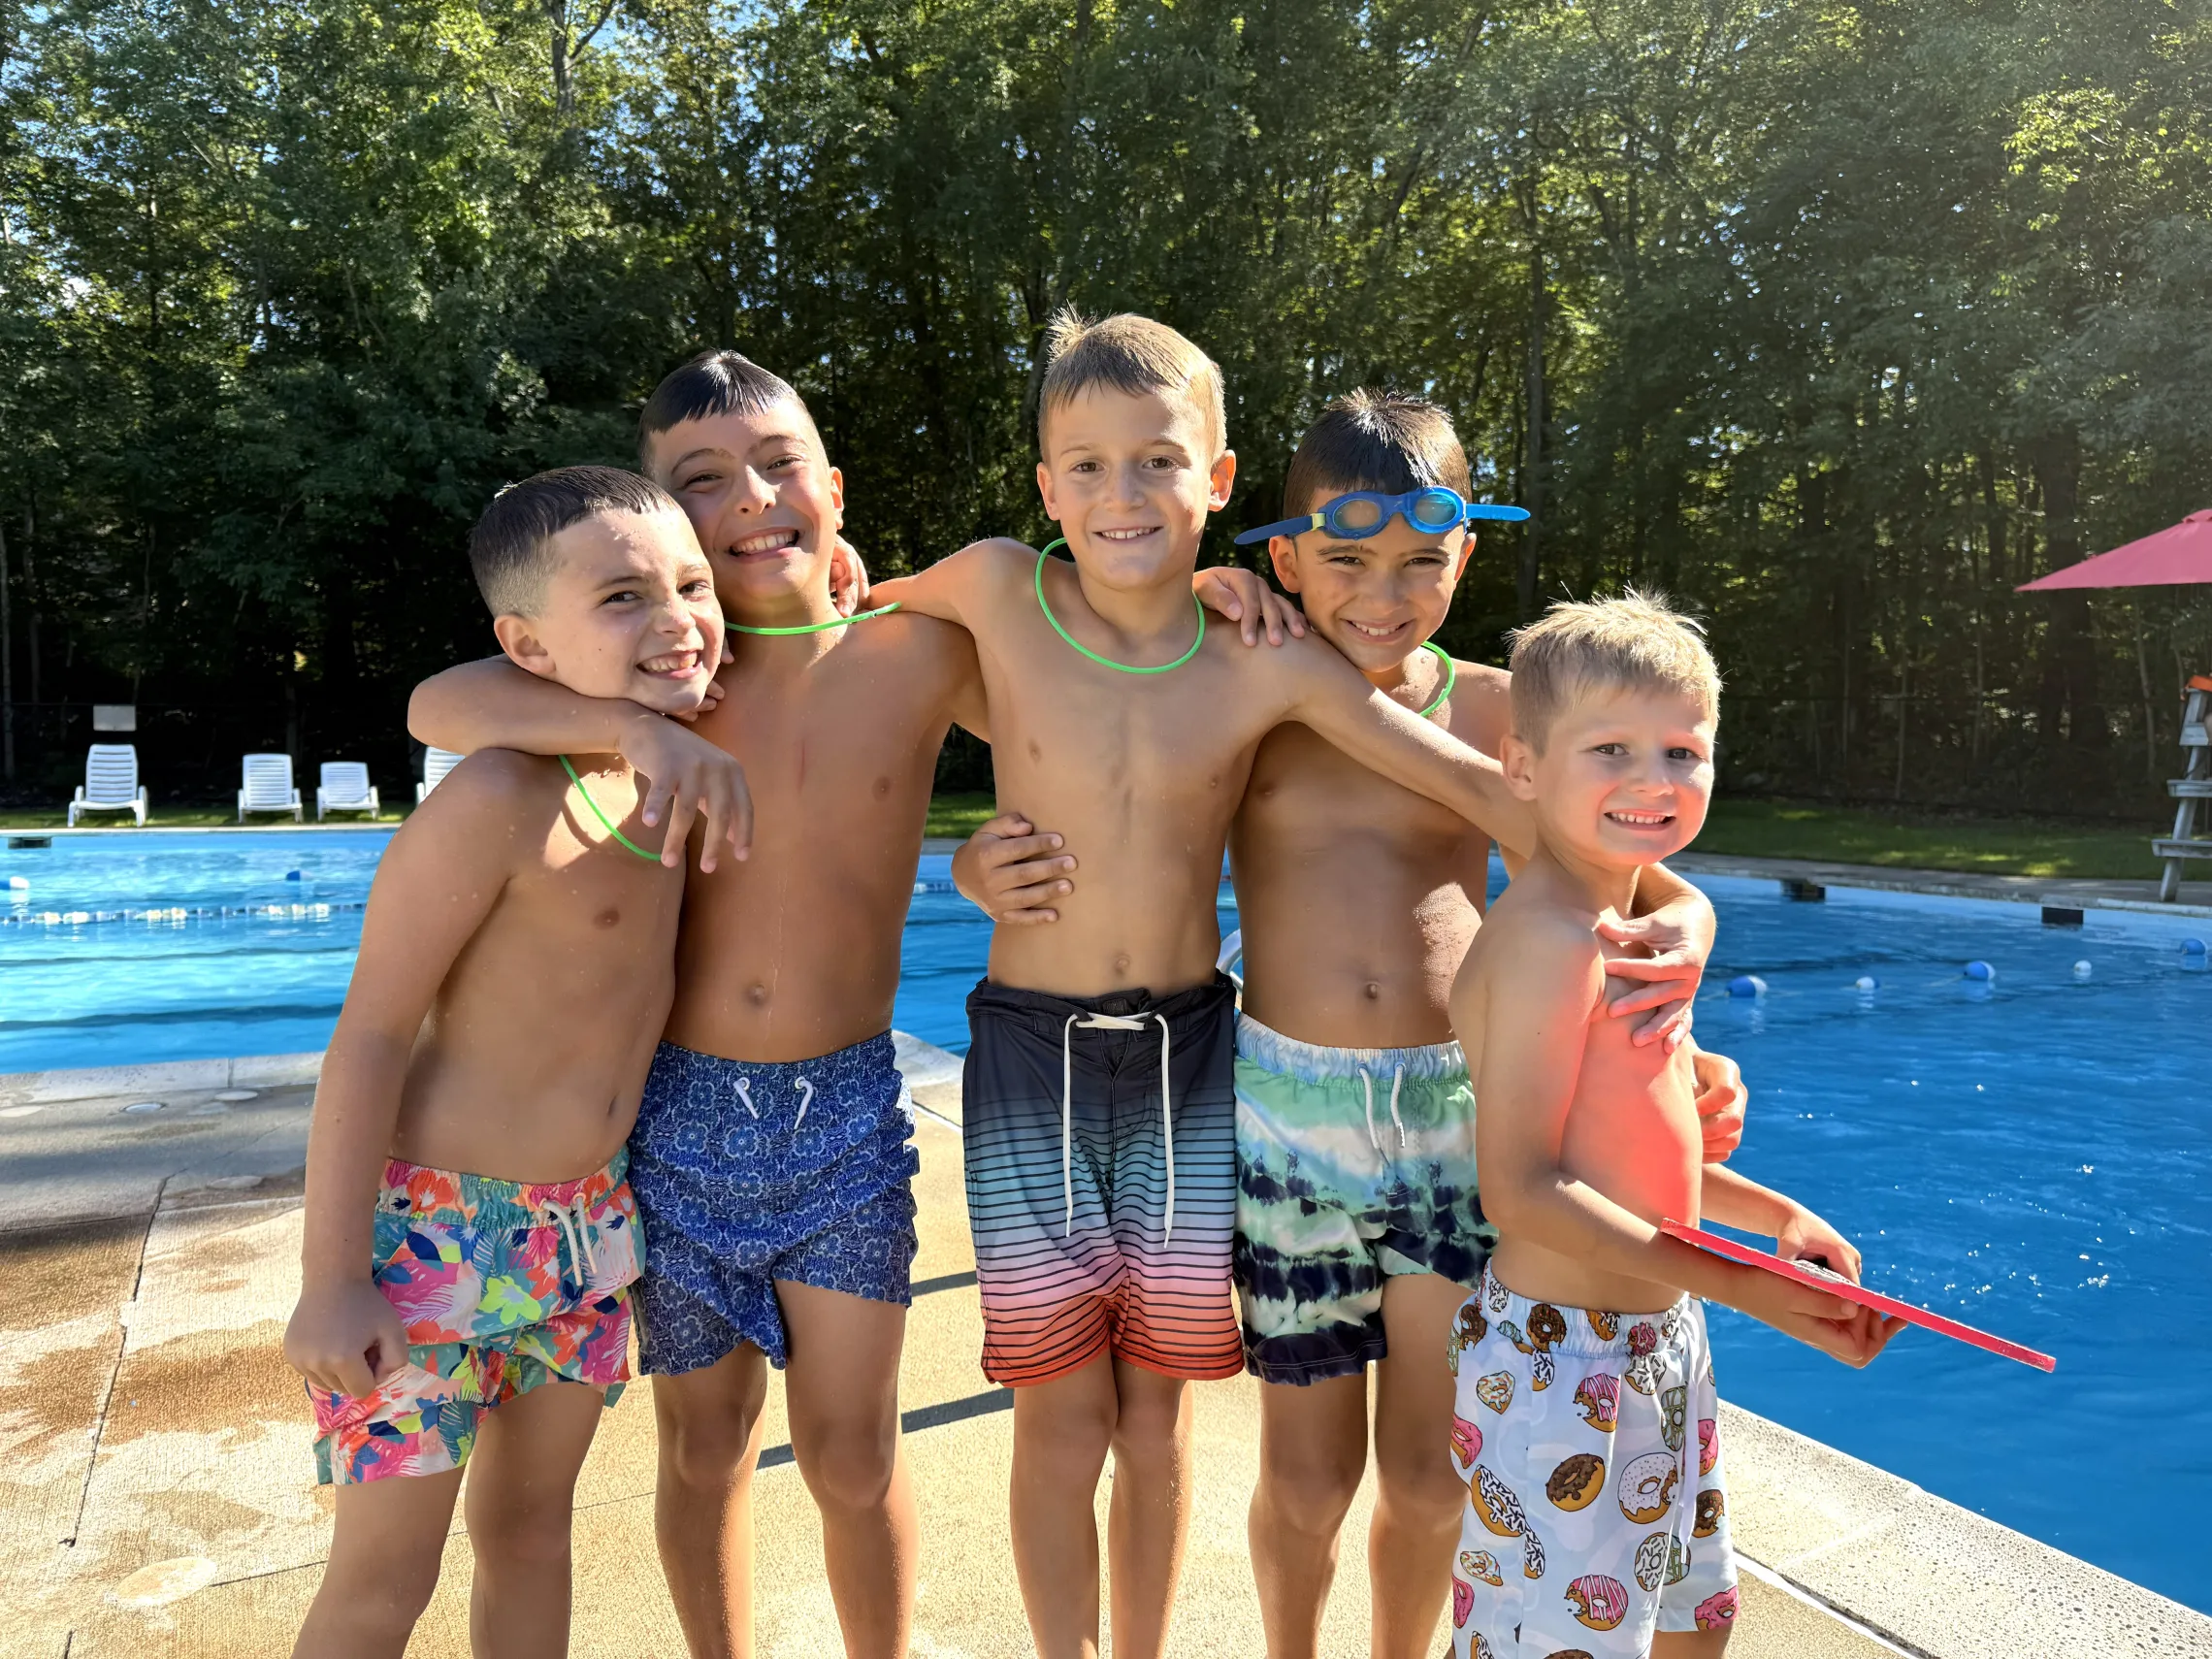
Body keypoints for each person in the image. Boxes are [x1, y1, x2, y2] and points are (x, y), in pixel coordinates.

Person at [404, 348, 1281, 1659]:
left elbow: (1097, 685)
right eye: (703, 483)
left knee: (855, 1452)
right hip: (678, 1114)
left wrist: (1194, 589)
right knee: (704, 1445)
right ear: (662, 520)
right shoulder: (646, 683)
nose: (751, 498)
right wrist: (645, 734)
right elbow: (440, 699)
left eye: (779, 467)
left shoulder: (916, 649)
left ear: (833, 486)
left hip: (847, 1112)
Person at [956, 389, 1749, 1659]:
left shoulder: (1504, 713)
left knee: (1432, 1473)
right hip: (1287, 1119)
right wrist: (975, 871)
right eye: (1347, 561)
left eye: (1421, 563)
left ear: (1466, 555)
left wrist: (1692, 949)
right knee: (1311, 1478)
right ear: (1281, 556)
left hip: (1455, 1113)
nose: (1384, 595)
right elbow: (1090, 780)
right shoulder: (1244, 690)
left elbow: (1628, 877)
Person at [861, 311, 1550, 1659]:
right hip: (1099, 1067)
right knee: (1087, 1422)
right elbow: (829, 629)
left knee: (1255, 1437)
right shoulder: (1024, 593)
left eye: (1157, 463)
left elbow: (1496, 801)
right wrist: (957, 863)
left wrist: (1660, 947)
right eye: (1089, 466)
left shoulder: (1282, 660)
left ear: (1217, 484)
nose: (1123, 495)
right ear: (1048, 480)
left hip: (1245, 1068)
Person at [282, 466, 726, 1658]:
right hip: (426, 1238)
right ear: (528, 645)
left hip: (585, 1230)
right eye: (624, 598)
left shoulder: (674, 774)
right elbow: (370, 1033)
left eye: (691, 584)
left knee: (533, 1533)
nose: (678, 618)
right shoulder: (495, 798)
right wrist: (332, 1279)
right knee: (385, 1577)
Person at [1446, 593, 1900, 1658]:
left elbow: (1635, 1158)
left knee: (1692, 1622)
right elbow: (1519, 1187)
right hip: (1564, 1366)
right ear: (1523, 768)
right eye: (1611, 748)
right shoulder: (1551, 942)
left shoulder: (1637, 933)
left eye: (1682, 751)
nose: (1654, 779)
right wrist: (1756, 1291)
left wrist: (1776, 1217)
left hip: (1658, 1338)